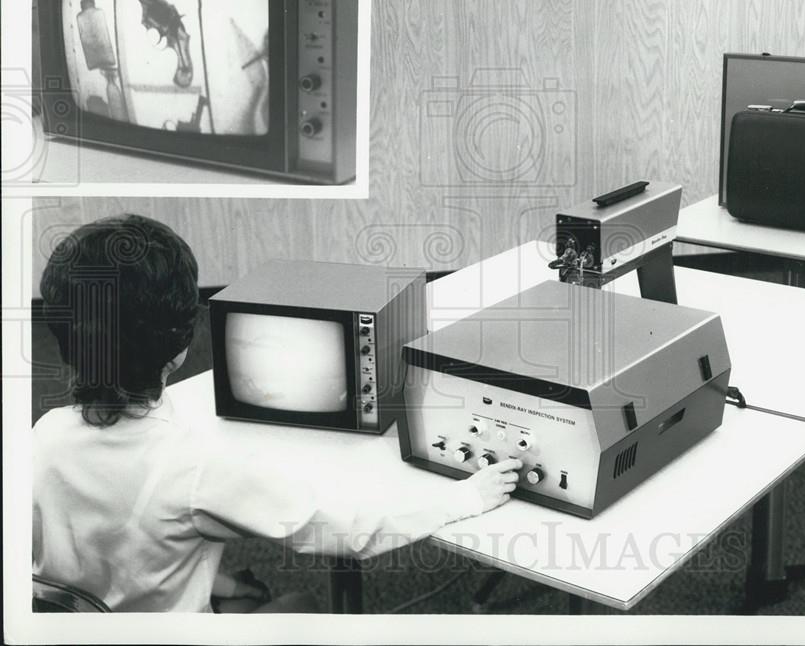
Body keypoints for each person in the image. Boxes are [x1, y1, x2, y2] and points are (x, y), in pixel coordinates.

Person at [33, 214, 521, 613]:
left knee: (242, 589)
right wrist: (466, 499)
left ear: (66, 342)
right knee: (303, 605)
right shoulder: (197, 470)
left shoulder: (43, 435)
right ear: (184, 345)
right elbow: (351, 533)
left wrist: (222, 588)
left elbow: (100, 546)